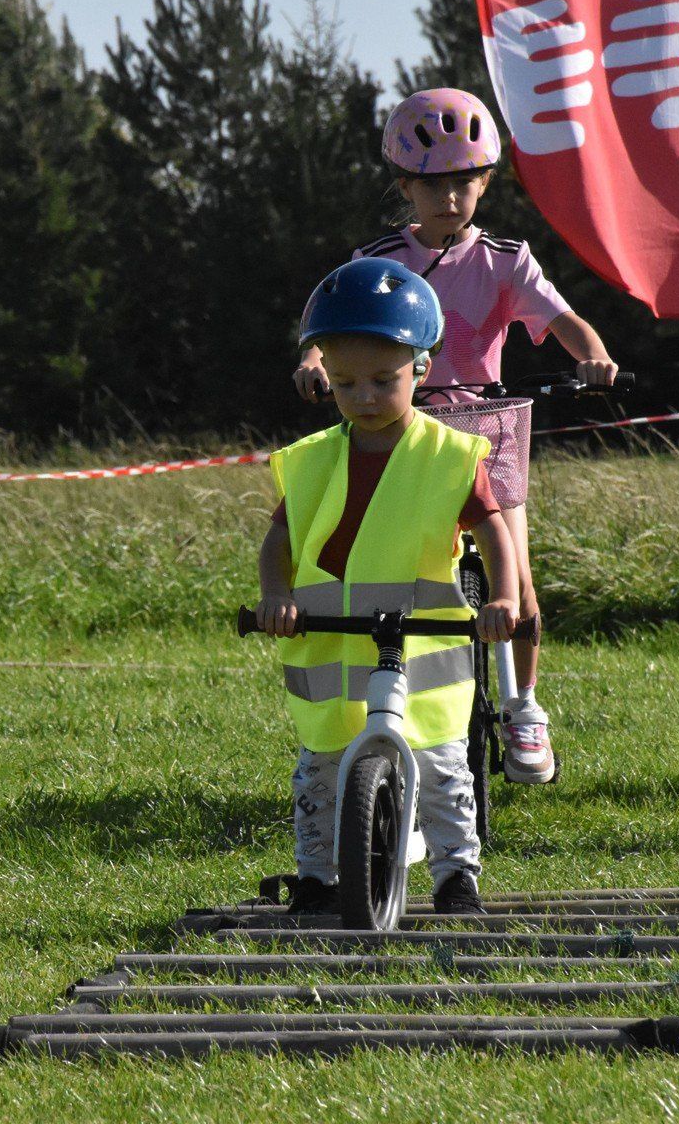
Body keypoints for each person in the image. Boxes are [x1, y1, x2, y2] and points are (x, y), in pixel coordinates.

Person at [292, 88, 618, 786]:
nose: (449, 197)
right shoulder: (379, 259)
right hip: (404, 432)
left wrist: (591, 354)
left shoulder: (506, 259)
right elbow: (331, 324)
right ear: (405, 186)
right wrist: (315, 365)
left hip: (488, 427)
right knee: (396, 577)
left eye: (464, 181)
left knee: (515, 580)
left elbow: (562, 320)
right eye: (432, 183)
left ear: (485, 183)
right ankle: (392, 704)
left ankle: (524, 706)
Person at [256, 258, 519, 915]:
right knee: (319, 771)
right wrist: (275, 595)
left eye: (383, 380)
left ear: (421, 370)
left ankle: (457, 876)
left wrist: (503, 598)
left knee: (442, 768)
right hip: (333, 656)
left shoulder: (447, 455)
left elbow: (491, 527)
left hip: (425, 655)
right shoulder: (314, 458)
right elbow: (280, 540)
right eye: (345, 384)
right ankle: (316, 878)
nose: (365, 396)